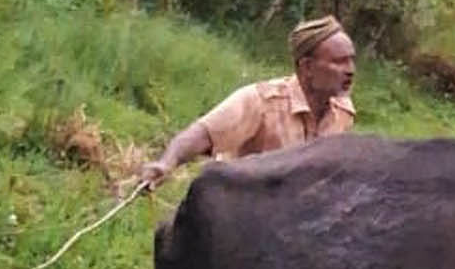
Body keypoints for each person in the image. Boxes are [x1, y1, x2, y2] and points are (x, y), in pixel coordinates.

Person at [143, 15, 357, 187]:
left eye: (351, 60)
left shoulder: (343, 112)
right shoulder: (260, 102)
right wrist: (165, 164)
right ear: (307, 67)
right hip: (241, 207)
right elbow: (202, 134)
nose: (350, 70)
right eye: (339, 62)